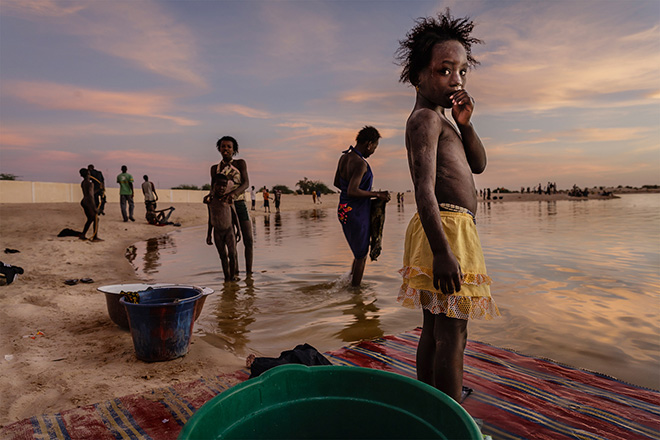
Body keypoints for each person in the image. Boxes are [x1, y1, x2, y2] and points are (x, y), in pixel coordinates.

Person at [395, 10, 500, 401]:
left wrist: (467, 124)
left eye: (462, 71)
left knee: (437, 327)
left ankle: (430, 400)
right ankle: (451, 413)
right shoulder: (424, 119)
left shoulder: (446, 121)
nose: (456, 80)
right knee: (453, 330)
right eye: (444, 71)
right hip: (445, 229)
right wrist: (441, 252)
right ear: (417, 76)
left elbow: (479, 165)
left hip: (452, 229)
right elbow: (423, 189)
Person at [333, 126, 390, 287]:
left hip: (344, 209)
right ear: (369, 144)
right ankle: (355, 294)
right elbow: (352, 190)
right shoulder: (360, 164)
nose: (373, 152)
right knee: (361, 255)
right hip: (356, 213)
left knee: (359, 252)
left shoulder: (344, 158)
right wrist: (377, 195)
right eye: (375, 148)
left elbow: (338, 183)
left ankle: (351, 282)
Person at [210, 136, 253, 276]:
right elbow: (213, 188)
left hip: (239, 204)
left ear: (234, 149)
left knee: (248, 239)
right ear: (219, 148)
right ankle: (234, 274)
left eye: (229, 146)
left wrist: (233, 194)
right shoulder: (215, 168)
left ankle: (249, 275)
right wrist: (209, 197)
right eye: (223, 146)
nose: (226, 149)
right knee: (231, 242)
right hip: (223, 208)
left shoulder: (240, 163)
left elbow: (245, 183)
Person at [205, 173, 241, 281]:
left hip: (229, 231)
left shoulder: (228, 199)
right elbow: (210, 218)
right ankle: (226, 278)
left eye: (224, 185)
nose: (221, 188)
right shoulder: (210, 201)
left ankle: (232, 277)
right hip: (217, 232)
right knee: (223, 256)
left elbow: (234, 216)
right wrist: (208, 235)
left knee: (232, 254)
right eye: (219, 185)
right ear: (214, 186)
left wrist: (238, 230)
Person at [79, 168, 102, 241]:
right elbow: (91, 196)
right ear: (88, 174)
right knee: (95, 218)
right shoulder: (90, 184)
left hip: (84, 201)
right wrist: (95, 208)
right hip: (88, 202)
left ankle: (83, 235)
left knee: (90, 219)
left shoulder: (83, 183)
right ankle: (95, 237)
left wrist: (98, 189)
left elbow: (90, 193)